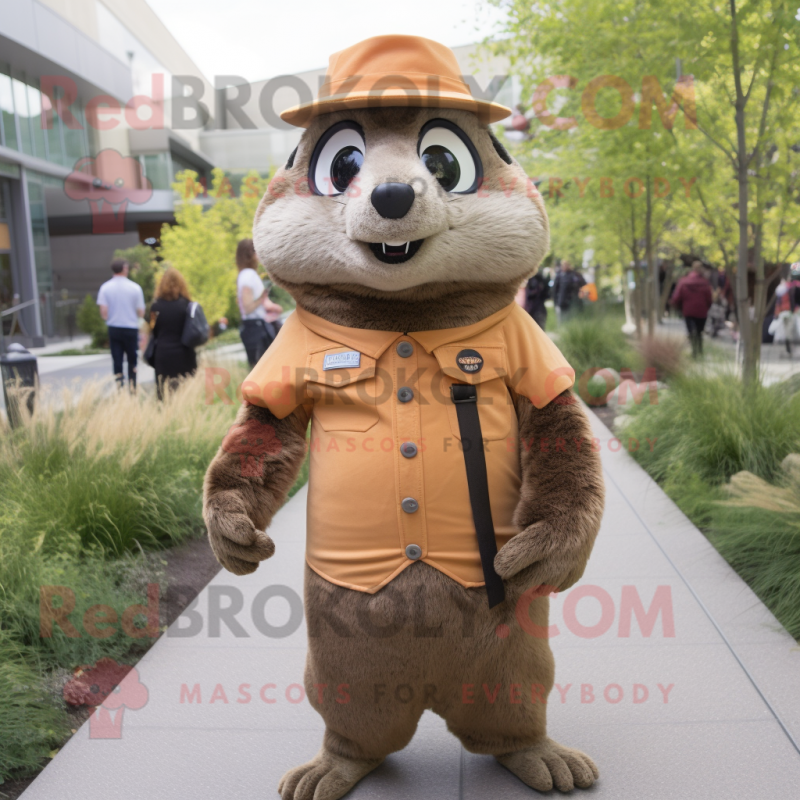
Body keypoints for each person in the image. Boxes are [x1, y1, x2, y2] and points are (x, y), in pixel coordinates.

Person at [148, 267, 197, 399]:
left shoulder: (155, 307)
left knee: (164, 395)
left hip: (163, 355)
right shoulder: (187, 305)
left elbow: (152, 329)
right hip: (184, 353)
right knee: (186, 394)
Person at [97, 258, 145, 390]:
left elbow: (103, 311)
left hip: (114, 327)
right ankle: (133, 385)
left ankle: (119, 385)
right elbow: (141, 311)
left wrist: (109, 318)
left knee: (116, 358)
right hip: (130, 327)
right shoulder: (135, 288)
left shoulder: (105, 287)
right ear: (125, 269)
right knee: (132, 357)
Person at [236, 238, 284, 367]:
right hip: (256, 328)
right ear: (249, 254)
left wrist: (272, 306)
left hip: (255, 326)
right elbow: (247, 307)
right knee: (267, 368)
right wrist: (262, 299)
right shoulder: (248, 275)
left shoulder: (245, 275)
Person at [671, 260, 713, 357]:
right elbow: (709, 298)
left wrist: (677, 306)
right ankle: (699, 350)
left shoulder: (684, 281)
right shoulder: (705, 282)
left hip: (688, 310)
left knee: (691, 331)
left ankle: (694, 351)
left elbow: (676, 297)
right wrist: (707, 307)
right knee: (699, 332)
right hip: (702, 311)